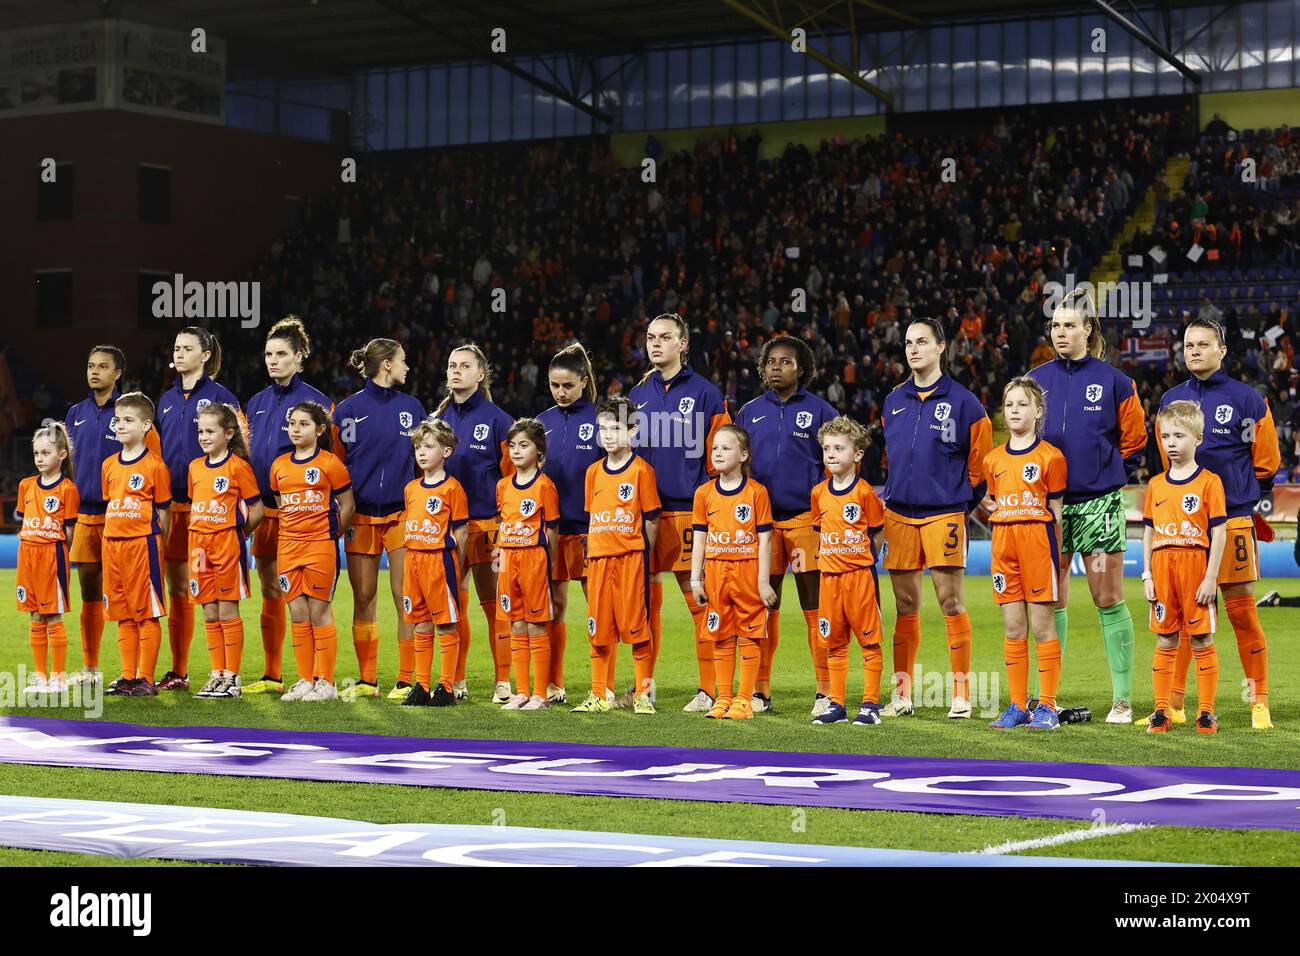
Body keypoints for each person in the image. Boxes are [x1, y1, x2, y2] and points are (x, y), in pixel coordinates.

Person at [1150, 318, 1281, 730]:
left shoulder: (1248, 400)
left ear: (1222, 351)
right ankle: (1173, 705)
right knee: (1187, 620)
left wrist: (1236, 496)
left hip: (1234, 522)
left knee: (1242, 614)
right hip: (1183, 526)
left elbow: (1267, 462)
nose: (1194, 351)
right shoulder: (1171, 400)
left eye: (1203, 344)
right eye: (1189, 344)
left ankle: (1258, 701)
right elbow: (1165, 459)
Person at [1029, 289, 1146, 724]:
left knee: (1108, 598)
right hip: (1049, 508)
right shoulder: (1035, 379)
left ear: (1088, 329)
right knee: (1053, 600)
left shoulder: (1116, 381)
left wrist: (1101, 468)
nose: (1061, 332)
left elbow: (1135, 440)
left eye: (1070, 325)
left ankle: (1122, 700)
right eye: (1056, 326)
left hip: (1099, 504)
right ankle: (1049, 699)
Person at [880, 317, 992, 719]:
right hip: (898, 515)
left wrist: (959, 503)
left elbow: (979, 467)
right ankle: (902, 695)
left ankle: (961, 695)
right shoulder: (893, 401)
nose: (913, 349)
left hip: (944, 513)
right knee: (905, 606)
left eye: (922, 341)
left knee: (950, 602)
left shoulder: (965, 403)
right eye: (908, 342)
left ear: (942, 346)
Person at [627, 314, 730, 713]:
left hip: (688, 513)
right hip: (645, 517)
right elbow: (623, 455)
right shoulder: (636, 396)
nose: (656, 344)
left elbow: (720, 456)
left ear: (683, 343)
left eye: (665, 337)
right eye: (651, 337)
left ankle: (708, 690)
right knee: (645, 606)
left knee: (699, 603)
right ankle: (644, 689)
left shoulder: (706, 394)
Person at [735, 334, 838, 716]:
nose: (776, 368)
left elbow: (835, 466)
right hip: (761, 526)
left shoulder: (822, 412)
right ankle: (760, 691)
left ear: (802, 368)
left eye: (786, 362)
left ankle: (825, 691)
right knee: (764, 605)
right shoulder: (748, 413)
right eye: (771, 362)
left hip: (804, 523)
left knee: (814, 605)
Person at [242, 316, 332, 696]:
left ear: (299, 357)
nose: (272, 361)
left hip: (304, 518)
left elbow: (329, 464)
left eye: (281, 354)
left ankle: (319, 678)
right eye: (268, 354)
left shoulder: (317, 403)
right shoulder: (256, 402)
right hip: (265, 511)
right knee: (272, 591)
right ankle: (273, 673)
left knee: (310, 599)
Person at [331, 338, 424, 701]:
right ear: (386, 364)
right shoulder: (346, 412)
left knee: (405, 597)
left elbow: (423, 463)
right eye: (403, 360)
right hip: (362, 517)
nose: (407, 367)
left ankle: (404, 680)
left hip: (401, 516)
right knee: (364, 597)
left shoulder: (414, 408)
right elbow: (339, 465)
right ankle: (368, 679)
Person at [64, 345, 161, 685]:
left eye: (103, 366)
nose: (95, 372)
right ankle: (91, 669)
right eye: (91, 366)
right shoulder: (75, 413)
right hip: (85, 517)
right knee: (91, 593)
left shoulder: (130, 412)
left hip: (126, 519)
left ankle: (140, 675)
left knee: (136, 597)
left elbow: (153, 468)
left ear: (118, 373)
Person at [155, 327, 243, 692]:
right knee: (180, 589)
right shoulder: (165, 399)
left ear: (205, 355)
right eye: (176, 347)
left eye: (187, 348)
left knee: (217, 594)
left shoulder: (223, 399)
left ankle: (225, 673)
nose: (178, 353)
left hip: (209, 511)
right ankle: (179, 671)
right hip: (170, 507)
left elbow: (240, 453)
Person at [982, 378, 1067, 731]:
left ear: (1038, 411)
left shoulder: (1052, 457)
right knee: (1014, 629)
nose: (1014, 410)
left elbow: (1057, 513)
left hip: (1037, 545)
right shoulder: (993, 460)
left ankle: (1047, 707)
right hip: (1004, 547)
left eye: (1022, 404)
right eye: (1009, 404)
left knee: (1043, 628)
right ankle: (1018, 706)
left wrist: (1058, 561)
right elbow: (990, 500)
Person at [433, 343, 516, 702]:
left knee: (494, 605)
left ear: (480, 375)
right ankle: (456, 681)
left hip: (487, 525)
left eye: (465, 366)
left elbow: (513, 478)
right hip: (446, 527)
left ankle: (503, 682)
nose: (456, 371)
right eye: (452, 365)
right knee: (453, 605)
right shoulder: (436, 421)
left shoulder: (499, 420)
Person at [1141, 401, 1228, 734]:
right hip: (1163, 567)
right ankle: (1162, 712)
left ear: (1198, 438)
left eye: (1179, 435)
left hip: (1196, 566)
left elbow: (1218, 532)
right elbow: (1149, 532)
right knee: (1165, 640)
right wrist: (1147, 574)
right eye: (1165, 436)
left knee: (1202, 639)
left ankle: (1206, 712)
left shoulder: (1210, 483)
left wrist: (1210, 576)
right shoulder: (1155, 485)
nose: (1171, 443)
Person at [571, 397, 661, 715]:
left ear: (633, 431)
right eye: (602, 429)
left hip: (630, 560)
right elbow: (593, 517)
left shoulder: (641, 472)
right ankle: (599, 694)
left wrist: (642, 553)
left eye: (615, 428)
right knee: (599, 630)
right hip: (598, 560)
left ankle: (642, 694)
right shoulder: (593, 472)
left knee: (638, 628)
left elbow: (651, 519)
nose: (607, 435)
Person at [689, 425, 777, 721]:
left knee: (750, 635)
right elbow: (699, 538)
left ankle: (744, 700)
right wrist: (695, 578)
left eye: (726, 448)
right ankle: (723, 696)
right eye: (715, 448)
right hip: (715, 572)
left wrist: (763, 581)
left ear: (743, 455)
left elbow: (765, 539)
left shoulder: (757, 493)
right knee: (721, 635)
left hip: (747, 571)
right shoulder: (703, 493)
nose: (718, 453)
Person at [271, 402, 355, 702]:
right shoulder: (279, 465)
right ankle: (305, 679)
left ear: (320, 430)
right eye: (292, 423)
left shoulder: (331, 463)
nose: (296, 429)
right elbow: (281, 503)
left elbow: (348, 504)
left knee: (319, 611)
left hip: (320, 545)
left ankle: (326, 682)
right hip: (288, 548)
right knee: (297, 613)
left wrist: (333, 533)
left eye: (303, 424)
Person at [809, 416, 887, 726]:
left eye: (838, 448)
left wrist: (864, 558)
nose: (830, 454)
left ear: (857, 454)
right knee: (835, 643)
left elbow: (878, 533)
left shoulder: (866, 493)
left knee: (869, 642)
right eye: (827, 448)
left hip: (860, 579)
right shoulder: (818, 493)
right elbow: (820, 529)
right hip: (829, 579)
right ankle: (837, 704)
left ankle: (869, 705)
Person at [536, 343, 602, 705]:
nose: (560, 393)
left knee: (599, 609)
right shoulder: (541, 423)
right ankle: (554, 685)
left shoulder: (598, 420)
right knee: (555, 607)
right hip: (553, 531)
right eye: (554, 385)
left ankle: (601, 686)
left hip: (592, 531)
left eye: (568, 386)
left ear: (583, 382)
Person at [187, 403, 264, 699]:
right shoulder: (195, 467)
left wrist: (238, 534)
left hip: (226, 544)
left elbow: (256, 509)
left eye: (210, 431)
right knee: (209, 611)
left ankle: (231, 677)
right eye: (200, 431)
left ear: (228, 434)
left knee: (227, 608)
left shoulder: (238, 468)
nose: (203, 437)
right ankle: (216, 673)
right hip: (199, 546)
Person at [101, 392, 172, 697]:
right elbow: (111, 502)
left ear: (146, 426)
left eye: (128, 420)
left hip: (142, 544)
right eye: (117, 420)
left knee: (147, 612)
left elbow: (164, 510)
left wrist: (160, 544)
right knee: (123, 612)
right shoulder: (108, 465)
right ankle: (128, 676)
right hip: (112, 544)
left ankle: (146, 677)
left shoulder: (155, 466)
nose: (120, 425)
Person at [398, 419, 469, 707]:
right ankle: (422, 685)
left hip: (440, 561)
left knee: (445, 624)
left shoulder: (453, 489)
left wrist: (458, 565)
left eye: (429, 446)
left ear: (447, 452)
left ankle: (446, 687)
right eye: (418, 447)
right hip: (413, 560)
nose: (422, 453)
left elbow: (462, 531)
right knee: (420, 623)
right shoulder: (411, 488)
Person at [494, 419, 560, 710]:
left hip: (534, 559)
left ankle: (540, 695)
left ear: (539, 450)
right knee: (516, 623)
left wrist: (550, 564)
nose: (517, 451)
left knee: (536, 625)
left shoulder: (545, 486)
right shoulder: (503, 486)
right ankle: (521, 691)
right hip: (509, 560)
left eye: (524, 445)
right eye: (513, 446)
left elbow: (553, 530)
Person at [15, 423, 79, 699]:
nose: (40, 458)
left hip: (52, 556)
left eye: (46, 453)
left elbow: (70, 532)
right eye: (36, 453)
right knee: (36, 615)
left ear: (62, 455)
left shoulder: (68, 489)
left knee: (53, 615)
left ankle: (59, 677)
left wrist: (58, 552)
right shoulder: (26, 485)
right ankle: (40, 676)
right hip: (27, 557)